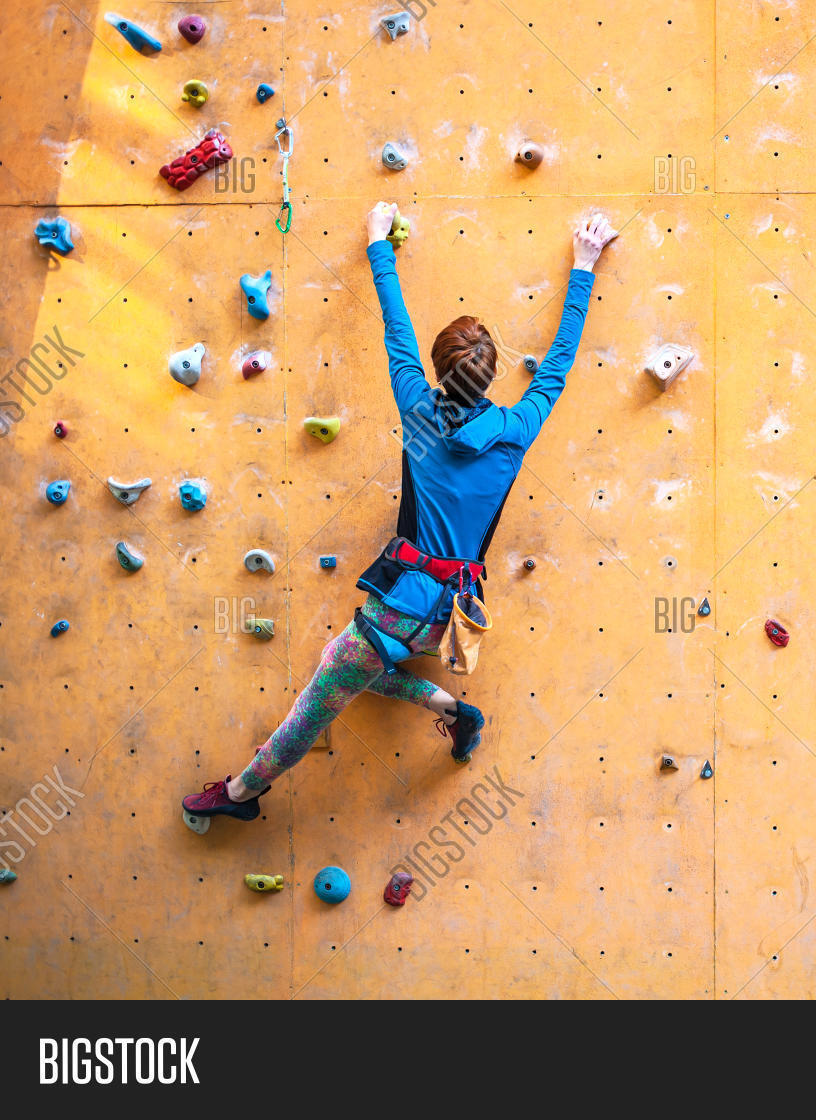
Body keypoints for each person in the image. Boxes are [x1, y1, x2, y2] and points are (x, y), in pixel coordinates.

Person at [183, 203, 619, 823]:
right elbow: (557, 365)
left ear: (440, 374)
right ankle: (453, 710)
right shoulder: (519, 427)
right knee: (361, 671)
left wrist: (378, 245)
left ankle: (241, 795)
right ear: (493, 379)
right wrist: (584, 265)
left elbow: (397, 333)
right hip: (452, 620)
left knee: (322, 695)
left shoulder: (418, 411)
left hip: (399, 610)